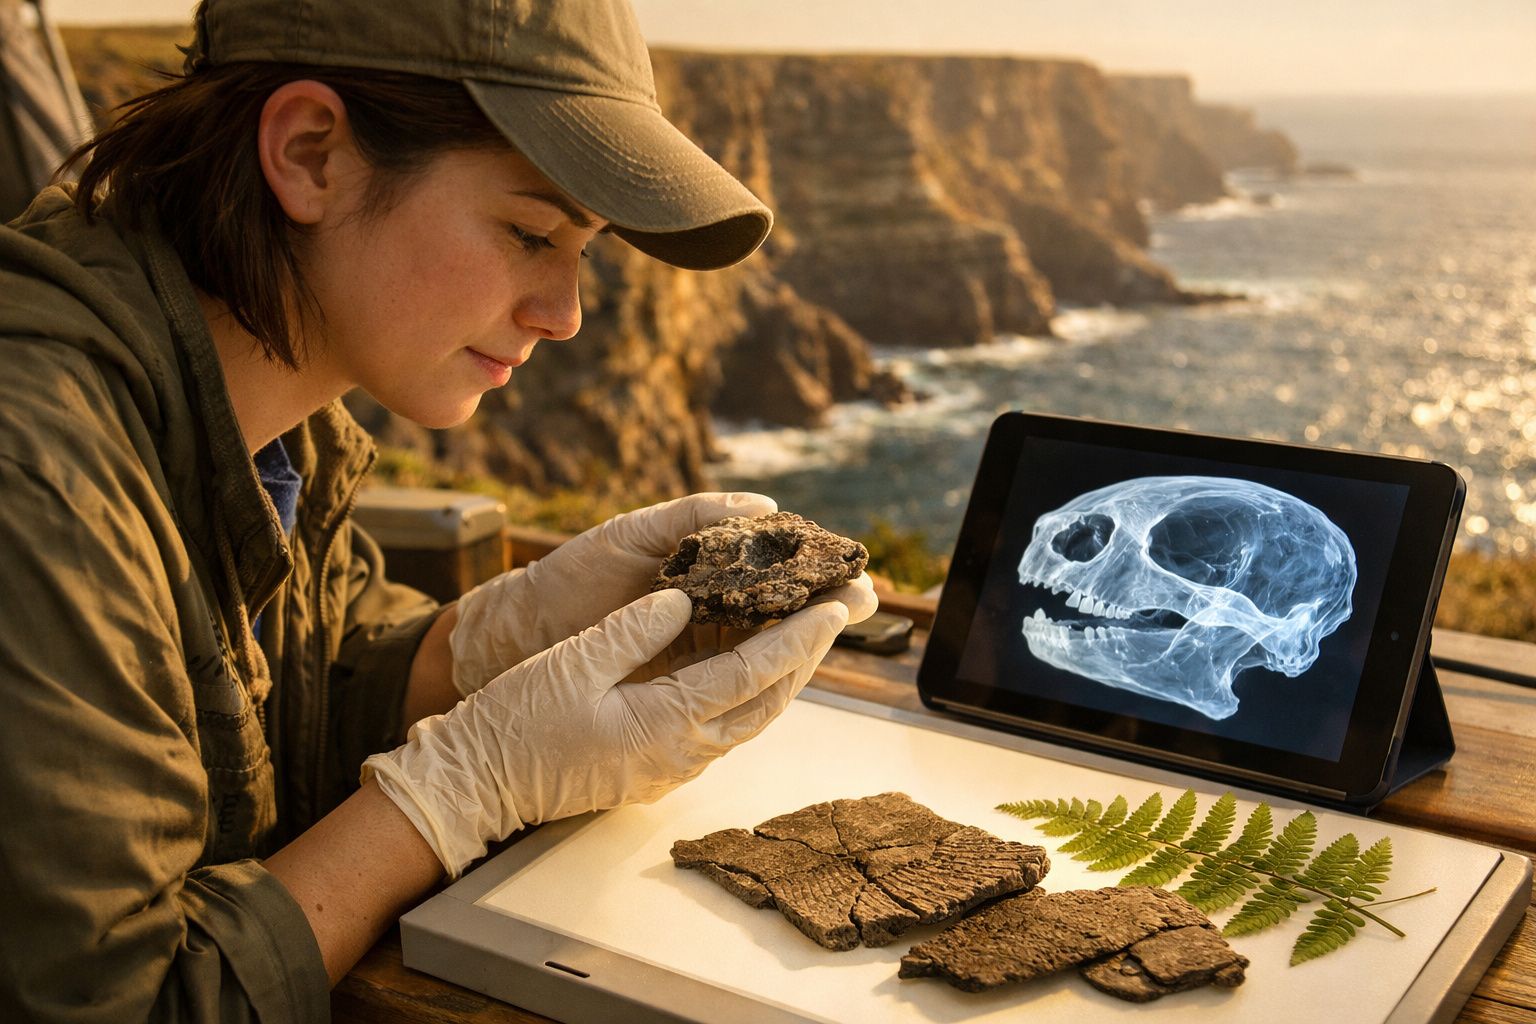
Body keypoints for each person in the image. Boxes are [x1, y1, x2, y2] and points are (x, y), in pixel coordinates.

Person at [0, 0, 878, 1019]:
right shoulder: (40, 476)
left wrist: (498, 640)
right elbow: (127, 1002)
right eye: (529, 231)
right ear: (311, 154)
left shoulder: (274, 416)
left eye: (581, 249)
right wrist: (458, 793)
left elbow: (287, 687)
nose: (564, 312)